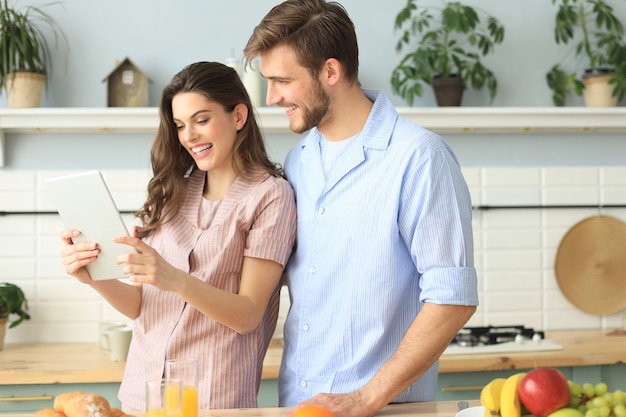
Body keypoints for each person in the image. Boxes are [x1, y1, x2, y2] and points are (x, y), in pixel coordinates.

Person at [243, 1, 479, 416]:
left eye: (282, 80)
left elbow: (452, 298)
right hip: (300, 404)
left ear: (330, 72)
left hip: (383, 408)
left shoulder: (419, 157)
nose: (272, 97)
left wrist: (367, 397)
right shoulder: (300, 160)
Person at [59, 61, 296, 411]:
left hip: (214, 399)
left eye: (201, 120)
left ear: (238, 116)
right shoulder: (172, 193)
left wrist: (173, 278)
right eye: (181, 125)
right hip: (144, 395)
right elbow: (142, 305)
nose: (189, 136)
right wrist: (93, 278)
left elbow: (248, 315)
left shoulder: (270, 196)